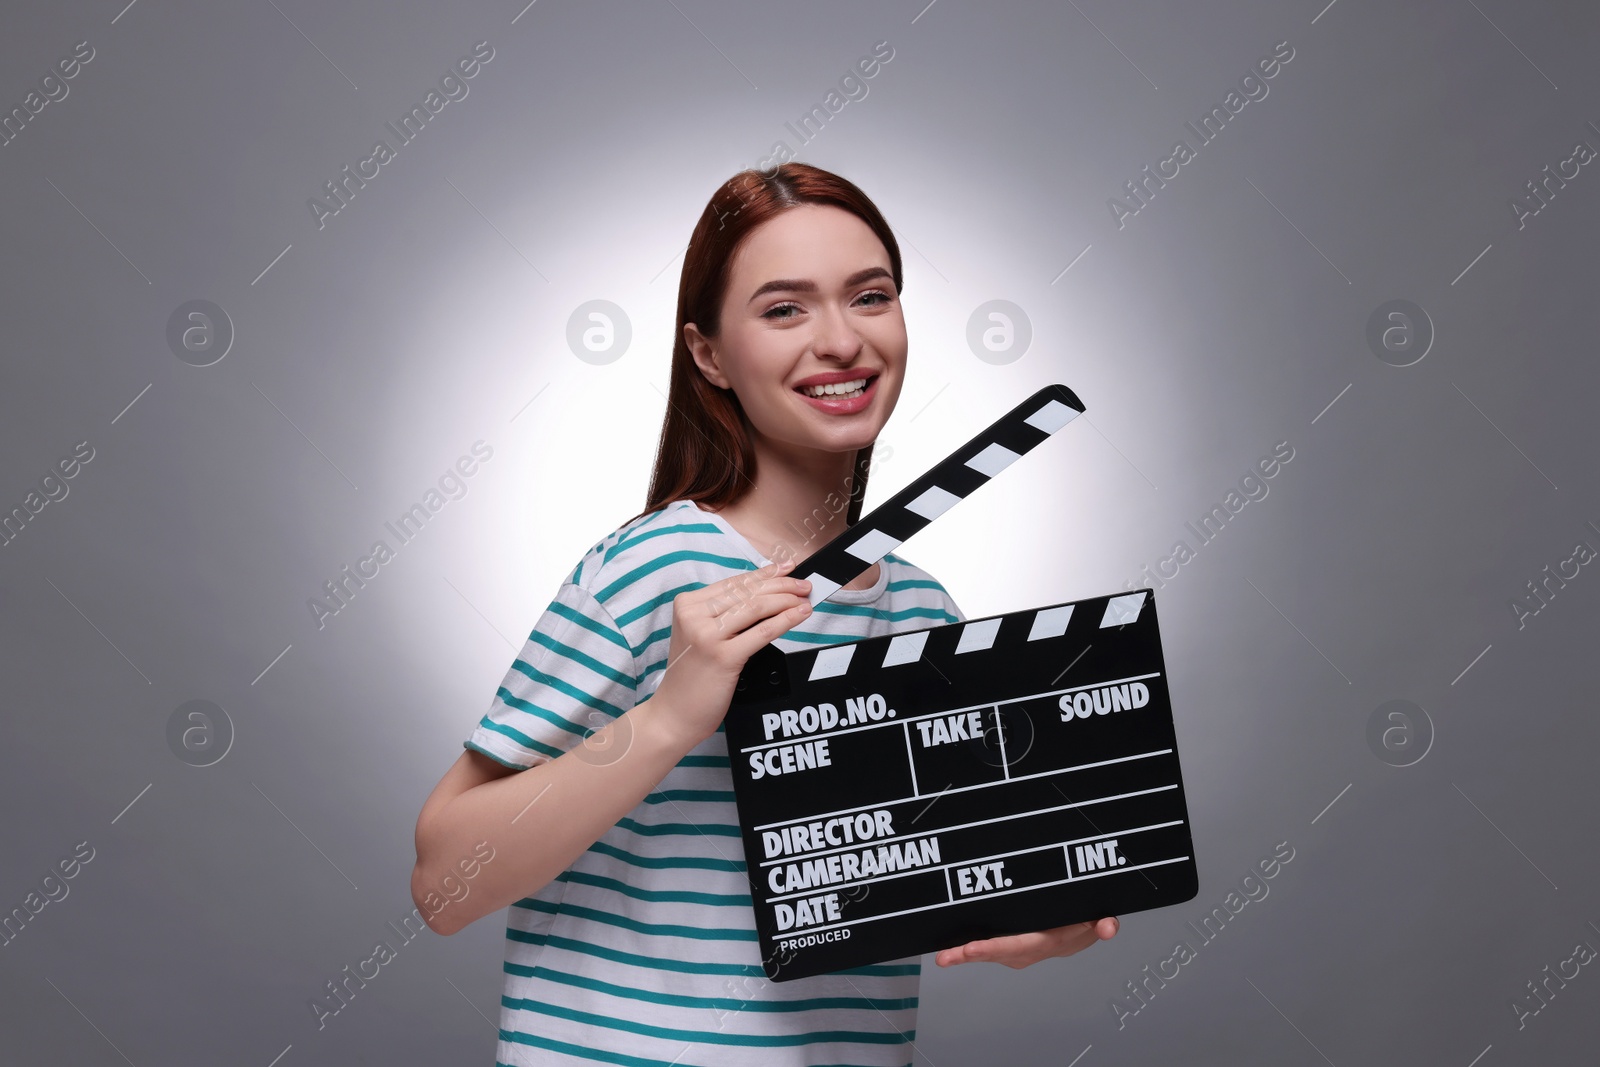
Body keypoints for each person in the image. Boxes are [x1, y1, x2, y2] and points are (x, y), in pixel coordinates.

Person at [410, 162, 1119, 1066]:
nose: (840, 341)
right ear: (709, 354)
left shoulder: (927, 613)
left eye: (870, 296)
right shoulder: (652, 569)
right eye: (785, 309)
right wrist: (671, 715)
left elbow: (941, 875)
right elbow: (444, 884)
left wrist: (1039, 909)